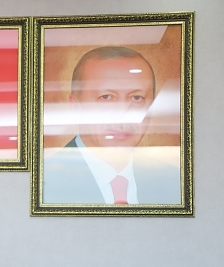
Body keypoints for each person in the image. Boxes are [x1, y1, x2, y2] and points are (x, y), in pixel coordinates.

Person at [43, 46, 181, 204]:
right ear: (75, 106)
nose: (122, 114)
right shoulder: (43, 181)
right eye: (106, 97)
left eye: (136, 98)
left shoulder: (174, 182)